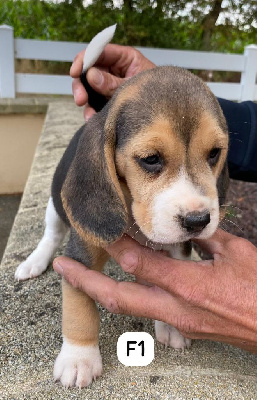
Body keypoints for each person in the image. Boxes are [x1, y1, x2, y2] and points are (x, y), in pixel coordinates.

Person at [53, 44, 257, 354]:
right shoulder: (100, 173)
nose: (196, 208)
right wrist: (80, 342)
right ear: (108, 155)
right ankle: (44, 243)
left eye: (212, 153)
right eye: (151, 159)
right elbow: (80, 259)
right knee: (54, 228)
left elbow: (180, 253)